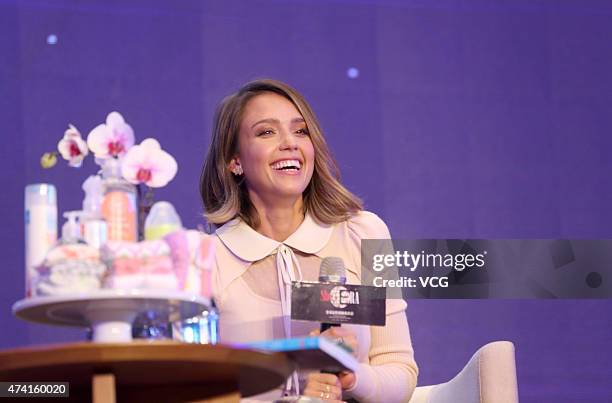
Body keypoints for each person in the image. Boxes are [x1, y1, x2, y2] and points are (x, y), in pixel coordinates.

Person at [200, 79, 418, 402]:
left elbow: (400, 370)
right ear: (235, 161)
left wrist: (351, 376)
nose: (290, 143)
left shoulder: (363, 234)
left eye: (300, 131)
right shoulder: (208, 259)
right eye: (266, 132)